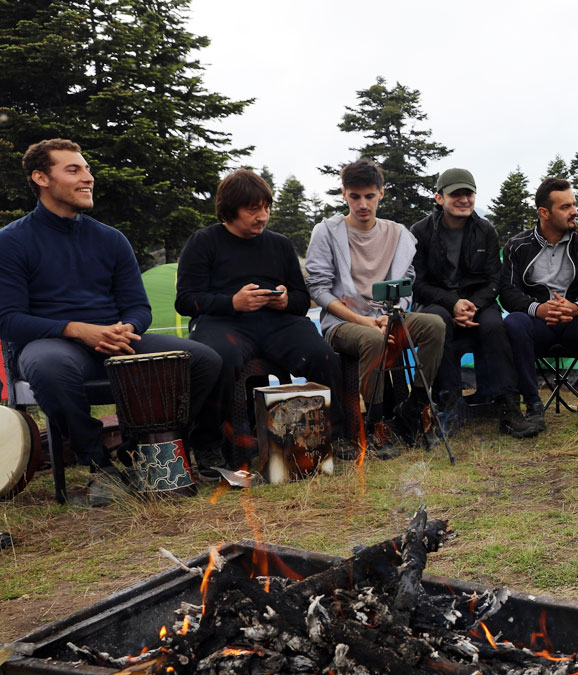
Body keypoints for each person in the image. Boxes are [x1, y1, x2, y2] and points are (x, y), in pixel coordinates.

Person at [0, 138, 223, 504]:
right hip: (52, 344)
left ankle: (136, 449)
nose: (87, 177)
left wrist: (128, 328)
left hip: (115, 340)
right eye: (73, 170)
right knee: (49, 367)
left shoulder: (110, 239)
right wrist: (76, 329)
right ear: (41, 177)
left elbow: (139, 307)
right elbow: (7, 320)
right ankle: (98, 464)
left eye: (87, 169)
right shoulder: (11, 242)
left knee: (203, 360)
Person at [176, 169, 351, 456]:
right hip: (223, 323)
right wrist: (233, 302)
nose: (262, 216)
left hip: (277, 323)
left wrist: (284, 301)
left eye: (267, 207)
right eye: (253, 209)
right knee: (219, 358)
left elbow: (300, 300)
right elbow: (185, 301)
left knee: (323, 356)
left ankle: (333, 435)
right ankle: (209, 443)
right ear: (230, 210)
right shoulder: (204, 241)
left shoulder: (279, 244)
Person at [304, 159, 446, 455]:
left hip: (389, 317)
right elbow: (318, 289)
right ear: (344, 194)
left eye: (369, 196)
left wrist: (391, 315)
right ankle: (375, 423)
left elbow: (406, 284)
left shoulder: (398, 234)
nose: (362, 204)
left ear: (381, 193)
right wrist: (361, 319)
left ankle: (415, 409)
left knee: (435, 325)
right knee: (373, 338)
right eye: (355, 196)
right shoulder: (326, 232)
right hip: (343, 324)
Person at [409, 168, 539, 439]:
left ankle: (508, 407)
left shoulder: (485, 230)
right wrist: (453, 303)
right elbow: (418, 284)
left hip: (478, 302)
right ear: (439, 198)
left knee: (494, 325)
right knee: (438, 323)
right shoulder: (420, 232)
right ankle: (448, 406)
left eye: (468, 193)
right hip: (438, 302)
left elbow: (495, 279)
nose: (464, 199)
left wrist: (472, 305)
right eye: (456, 194)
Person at [500, 178, 578, 430]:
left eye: (573, 204)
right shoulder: (517, 246)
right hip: (538, 325)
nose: (574, 211)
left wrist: (575, 307)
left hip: (574, 324)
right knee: (513, 322)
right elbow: (507, 291)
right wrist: (538, 309)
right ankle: (532, 405)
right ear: (544, 213)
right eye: (565, 207)